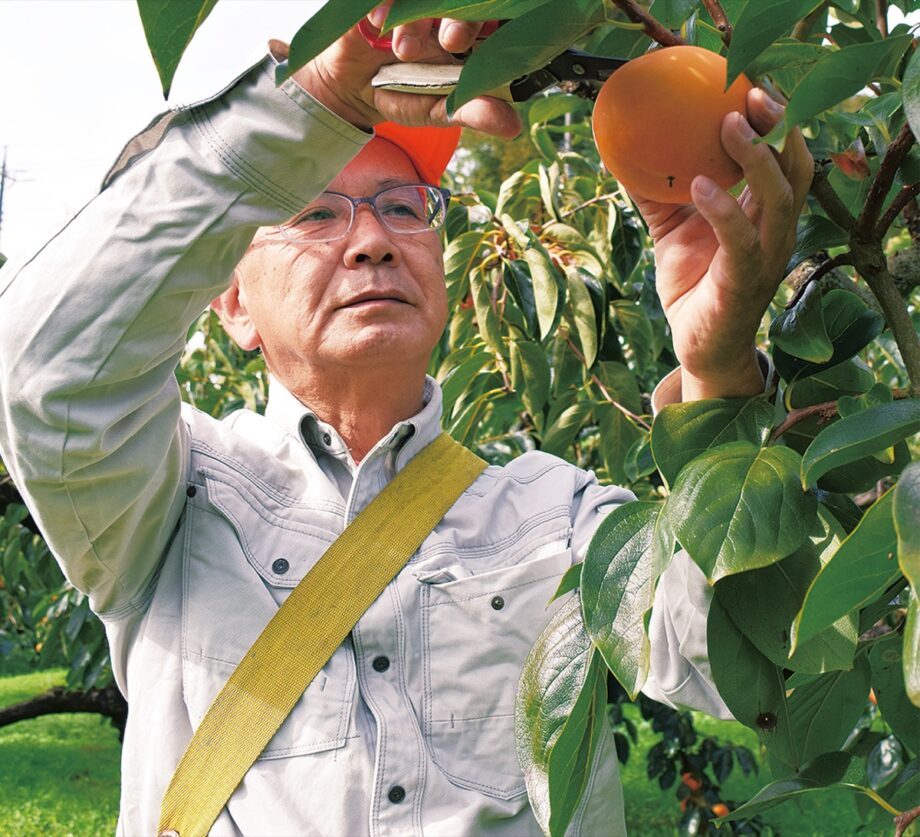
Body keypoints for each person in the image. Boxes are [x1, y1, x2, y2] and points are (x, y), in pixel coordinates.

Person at [0, 6, 812, 836]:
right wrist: (313, 99)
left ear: (442, 269)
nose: (372, 243)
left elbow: (746, 665)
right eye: (316, 214)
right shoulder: (170, 506)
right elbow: (49, 377)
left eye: (402, 207)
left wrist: (718, 373)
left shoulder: (553, 513)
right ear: (234, 305)